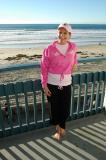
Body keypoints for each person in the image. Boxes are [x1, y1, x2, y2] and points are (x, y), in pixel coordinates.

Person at [41, 23, 78, 140]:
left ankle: (62, 127)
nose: (62, 35)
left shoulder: (73, 47)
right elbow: (43, 67)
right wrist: (44, 85)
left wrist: (75, 64)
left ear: (70, 34)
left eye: (65, 33)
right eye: (60, 32)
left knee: (65, 108)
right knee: (54, 108)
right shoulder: (49, 49)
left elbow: (74, 59)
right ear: (57, 33)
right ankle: (59, 129)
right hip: (52, 83)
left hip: (66, 82)